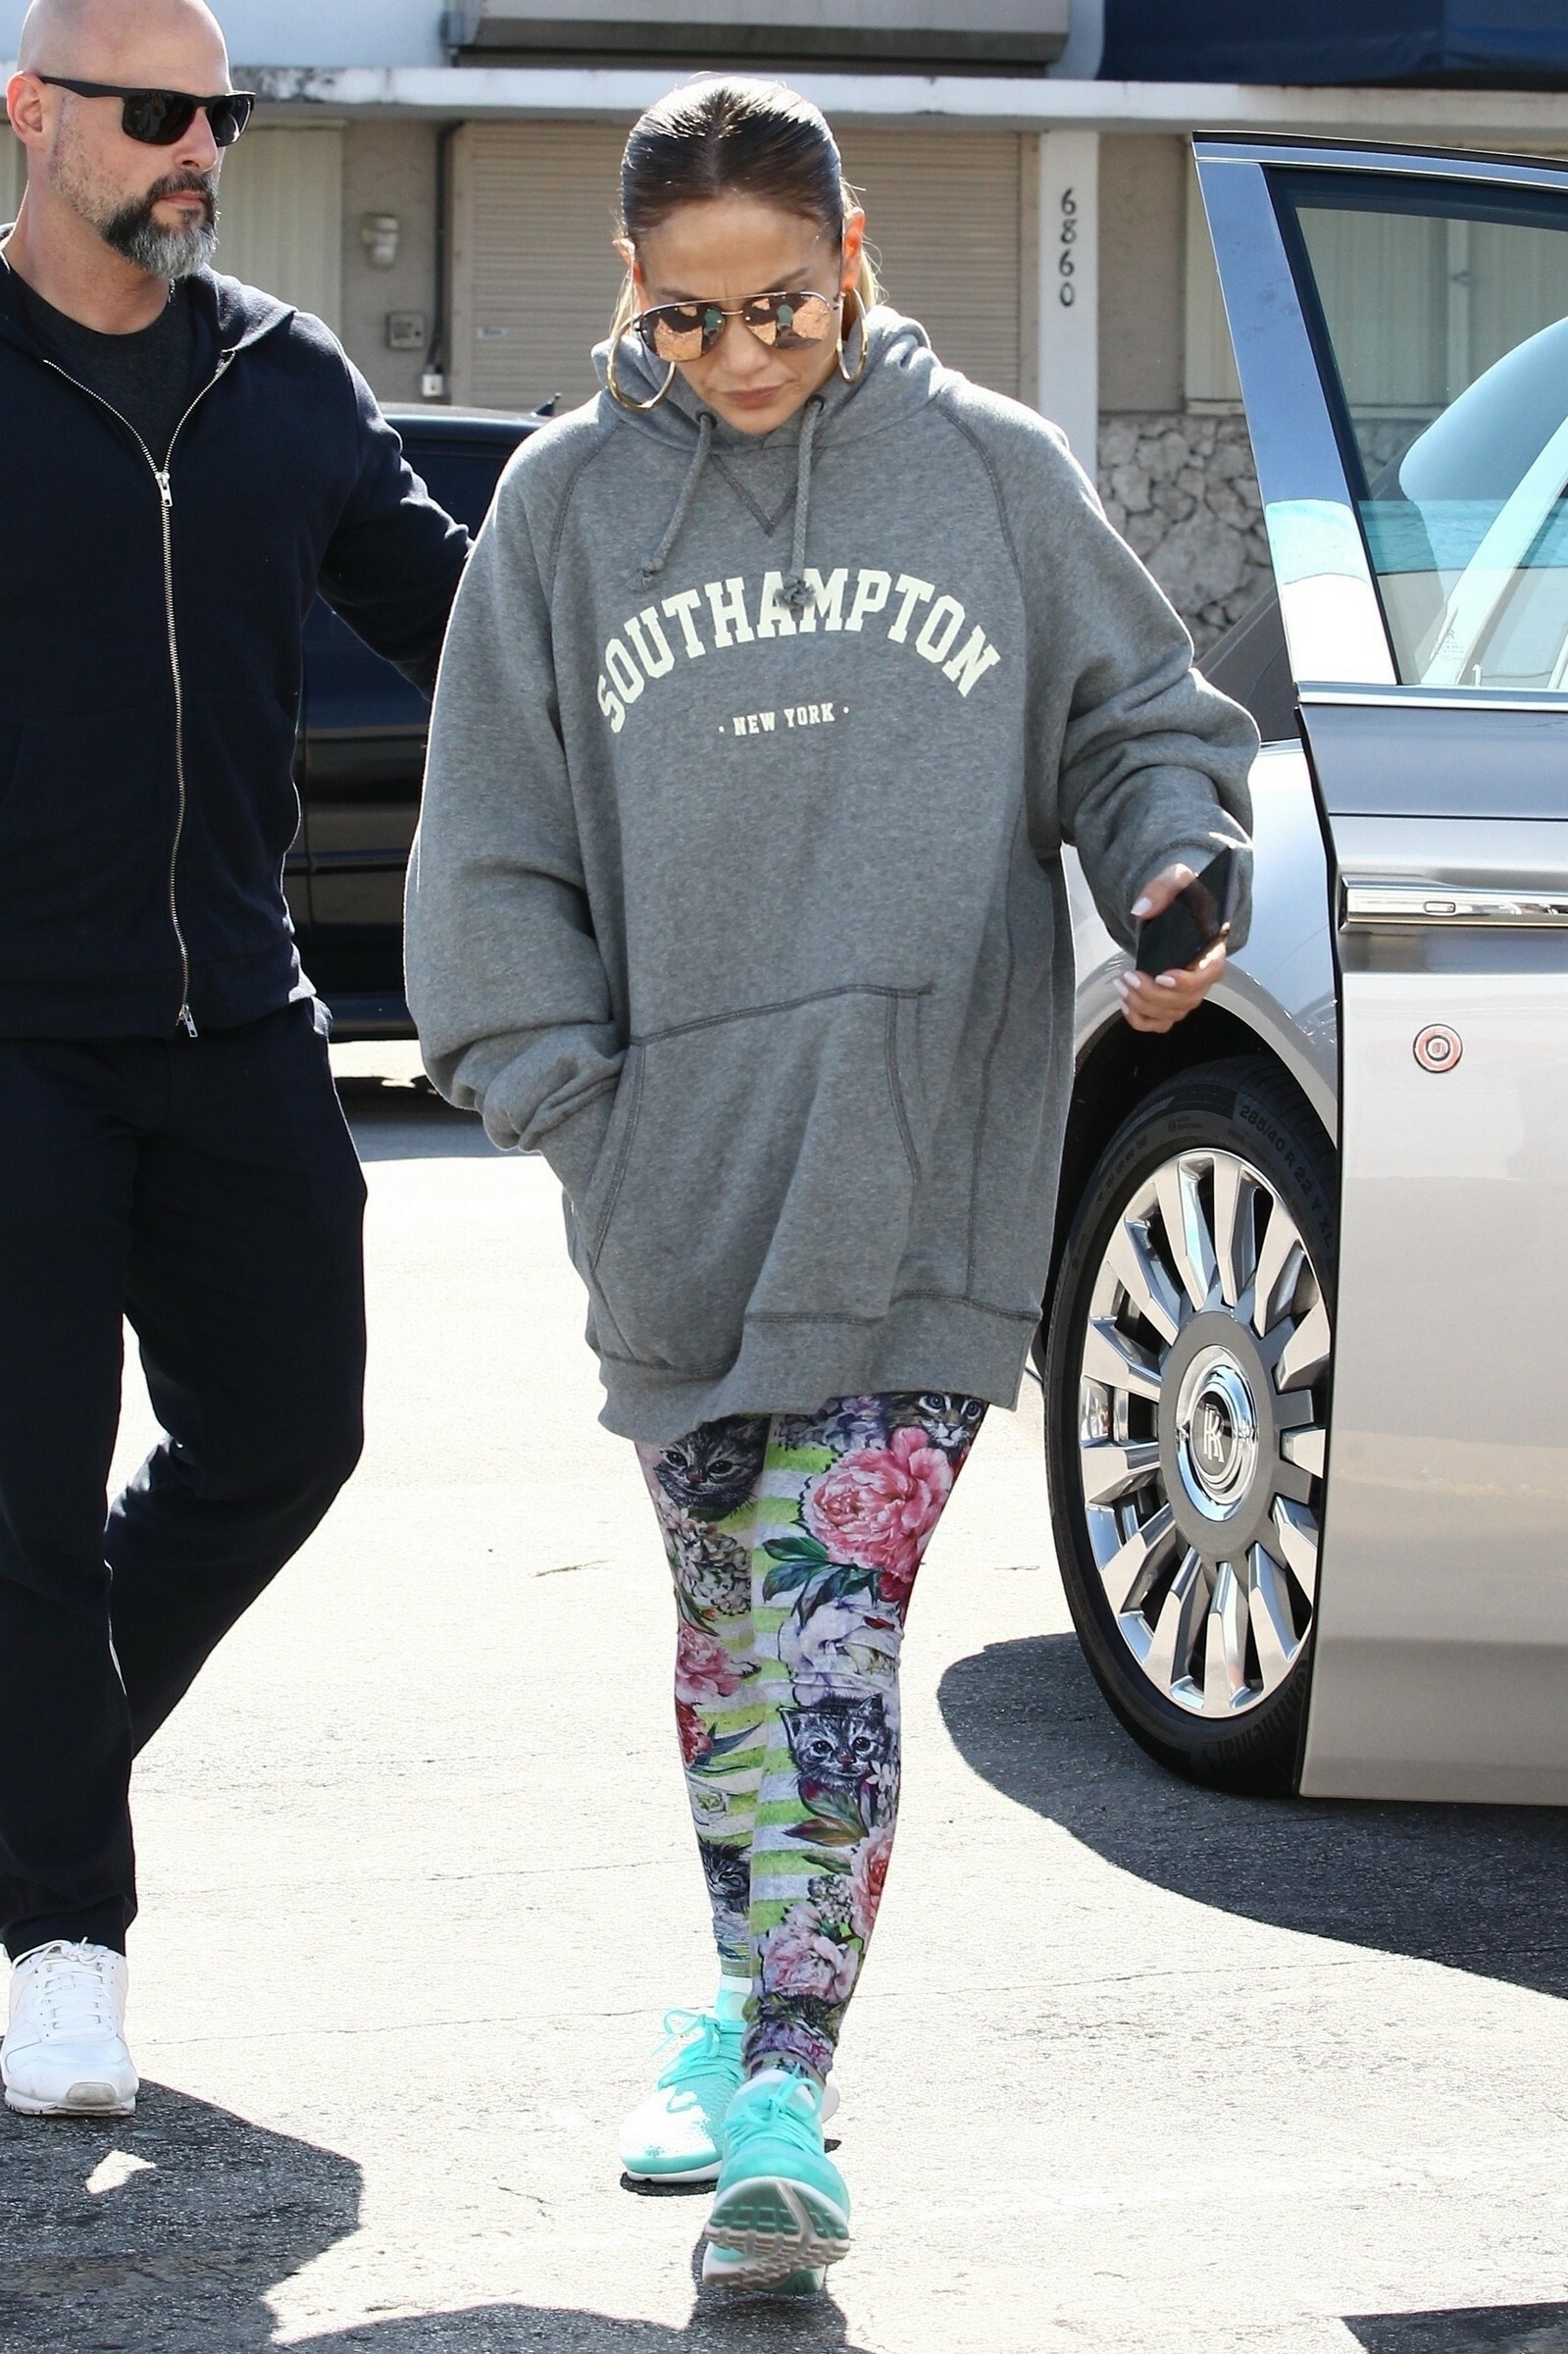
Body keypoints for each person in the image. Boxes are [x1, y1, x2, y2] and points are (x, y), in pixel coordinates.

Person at [405, 76, 1255, 2293]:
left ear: (853, 252)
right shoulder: (563, 512)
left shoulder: (991, 472)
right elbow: (489, 852)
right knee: (725, 1633)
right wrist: (576, 1117)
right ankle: (731, 1999)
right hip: (678, 1193)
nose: (742, 355)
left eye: (779, 304)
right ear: (632, 293)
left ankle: (789, 2083)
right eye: (688, 321)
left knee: (829, 1624)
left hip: (925, 1163)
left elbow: (1140, 728)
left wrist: (1171, 864)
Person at [0, 0, 470, 2121]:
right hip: (12, 1035)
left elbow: (467, 621)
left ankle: (29, 1785)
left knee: (287, 1431)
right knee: (23, 1504)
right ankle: (63, 1941)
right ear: (33, 114)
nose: (202, 145)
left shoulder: (285, 379)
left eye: (227, 113)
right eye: (159, 111)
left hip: (237, 1019)